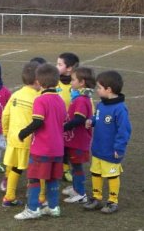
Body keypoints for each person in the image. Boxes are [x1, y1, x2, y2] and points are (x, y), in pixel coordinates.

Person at [14, 64, 66, 220]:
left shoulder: (40, 100)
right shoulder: (60, 100)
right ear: (57, 82)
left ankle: (32, 208)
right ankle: (53, 207)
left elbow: (38, 122)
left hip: (42, 148)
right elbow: (63, 121)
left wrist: (23, 133)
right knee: (52, 178)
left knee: (34, 178)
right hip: (58, 149)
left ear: (38, 81)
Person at [83, 71, 131, 214]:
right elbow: (97, 118)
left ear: (108, 90)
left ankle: (112, 201)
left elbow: (124, 130)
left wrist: (119, 148)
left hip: (111, 150)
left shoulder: (120, 109)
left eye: (99, 87)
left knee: (111, 175)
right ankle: (97, 198)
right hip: (98, 148)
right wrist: (91, 121)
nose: (97, 90)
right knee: (95, 173)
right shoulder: (101, 105)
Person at [1, 61, 41, 207]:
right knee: (35, 170)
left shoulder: (15, 94)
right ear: (38, 81)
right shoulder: (38, 98)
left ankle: (9, 197)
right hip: (30, 140)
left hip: (14, 138)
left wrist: (5, 132)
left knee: (15, 168)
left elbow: (5, 114)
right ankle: (37, 197)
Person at [62, 67, 95, 204]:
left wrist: (62, 127)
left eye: (74, 79)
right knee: (73, 164)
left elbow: (79, 119)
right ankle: (76, 187)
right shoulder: (79, 97)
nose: (71, 82)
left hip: (78, 141)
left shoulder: (81, 100)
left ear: (82, 82)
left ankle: (80, 193)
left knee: (76, 166)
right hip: (73, 140)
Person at [56, 52, 80, 183]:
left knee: (68, 148)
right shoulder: (54, 82)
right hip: (56, 122)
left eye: (60, 64)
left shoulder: (76, 84)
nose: (56, 66)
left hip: (71, 123)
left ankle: (65, 169)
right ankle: (59, 169)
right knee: (58, 147)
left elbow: (85, 102)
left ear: (69, 68)